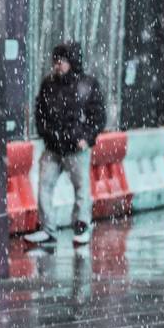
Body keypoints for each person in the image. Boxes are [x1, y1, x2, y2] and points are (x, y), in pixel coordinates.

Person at [24, 42, 106, 246]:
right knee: (45, 186)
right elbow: (40, 112)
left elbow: (98, 116)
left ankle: (81, 226)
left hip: (75, 148)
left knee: (80, 189)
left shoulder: (87, 85)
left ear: (72, 62)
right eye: (56, 62)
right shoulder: (49, 85)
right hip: (53, 147)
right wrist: (47, 135)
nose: (57, 66)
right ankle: (47, 228)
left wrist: (86, 138)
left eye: (61, 62)